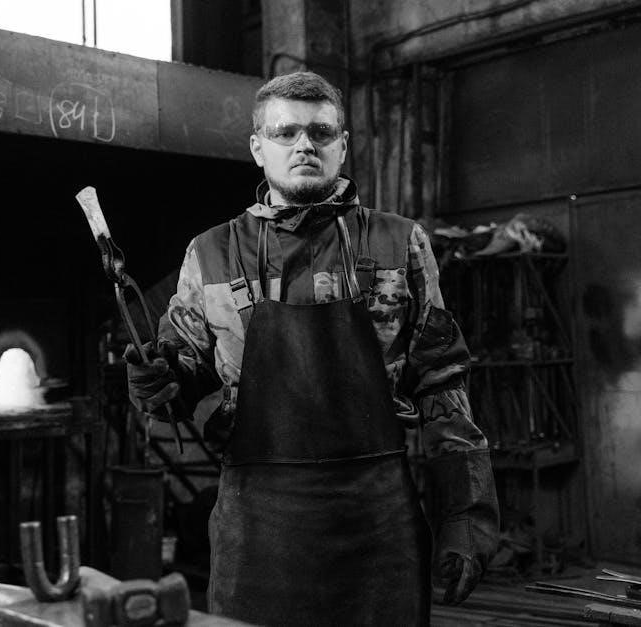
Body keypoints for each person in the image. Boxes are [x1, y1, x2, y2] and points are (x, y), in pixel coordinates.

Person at [125, 71, 499, 626]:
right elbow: (182, 377)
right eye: (286, 133)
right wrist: (159, 383)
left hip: (378, 523)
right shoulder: (211, 254)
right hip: (257, 525)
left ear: (342, 146)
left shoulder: (400, 243)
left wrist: (466, 518)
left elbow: (443, 383)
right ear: (258, 148)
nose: (304, 145)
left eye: (321, 133)